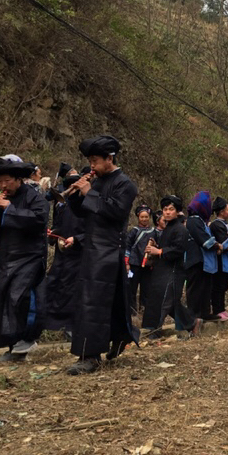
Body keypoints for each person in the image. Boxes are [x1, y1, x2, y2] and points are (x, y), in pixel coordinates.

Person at [66, 136, 139, 374]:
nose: (92, 165)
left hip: (108, 248)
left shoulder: (125, 184)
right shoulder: (96, 181)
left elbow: (117, 212)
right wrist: (77, 191)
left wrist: (90, 193)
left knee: (94, 302)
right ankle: (120, 336)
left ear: (110, 158)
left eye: (95, 160)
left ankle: (90, 355)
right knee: (108, 300)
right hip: (90, 246)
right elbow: (82, 213)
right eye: (90, 161)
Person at [0, 155, 48, 362]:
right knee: (4, 299)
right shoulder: (0, 200)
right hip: (6, 256)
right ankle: (13, 346)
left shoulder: (35, 198)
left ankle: (27, 339)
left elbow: (39, 220)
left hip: (30, 256)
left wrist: (9, 208)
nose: (3, 185)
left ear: (19, 179)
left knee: (20, 298)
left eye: (7, 180)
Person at [144, 195, 202, 337]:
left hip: (174, 271)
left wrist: (159, 251)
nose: (168, 212)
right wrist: (156, 247)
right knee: (169, 302)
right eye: (165, 209)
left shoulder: (180, 229)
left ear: (177, 211)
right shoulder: (168, 227)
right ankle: (192, 323)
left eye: (171, 209)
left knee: (165, 301)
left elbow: (178, 249)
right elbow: (168, 247)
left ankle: (154, 331)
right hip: (163, 270)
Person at [42, 173, 85, 335]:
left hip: (80, 255)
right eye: (69, 188)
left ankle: (72, 326)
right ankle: (53, 325)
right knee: (54, 284)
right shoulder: (62, 206)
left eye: (75, 188)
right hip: (62, 253)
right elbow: (59, 225)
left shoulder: (87, 206)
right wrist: (53, 233)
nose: (71, 191)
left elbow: (94, 231)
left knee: (73, 289)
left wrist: (77, 239)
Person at [184, 191, 219, 320]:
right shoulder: (193, 221)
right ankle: (193, 315)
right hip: (195, 259)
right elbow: (203, 239)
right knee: (195, 288)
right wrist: (217, 245)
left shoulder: (201, 221)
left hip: (203, 261)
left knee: (205, 286)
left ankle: (205, 313)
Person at [125, 205, 155, 316]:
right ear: (138, 217)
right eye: (142, 217)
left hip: (147, 265)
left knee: (146, 289)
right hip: (134, 264)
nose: (144, 219)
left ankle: (144, 311)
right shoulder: (134, 231)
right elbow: (127, 246)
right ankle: (132, 312)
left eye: (146, 217)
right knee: (132, 288)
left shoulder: (153, 231)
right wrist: (127, 263)